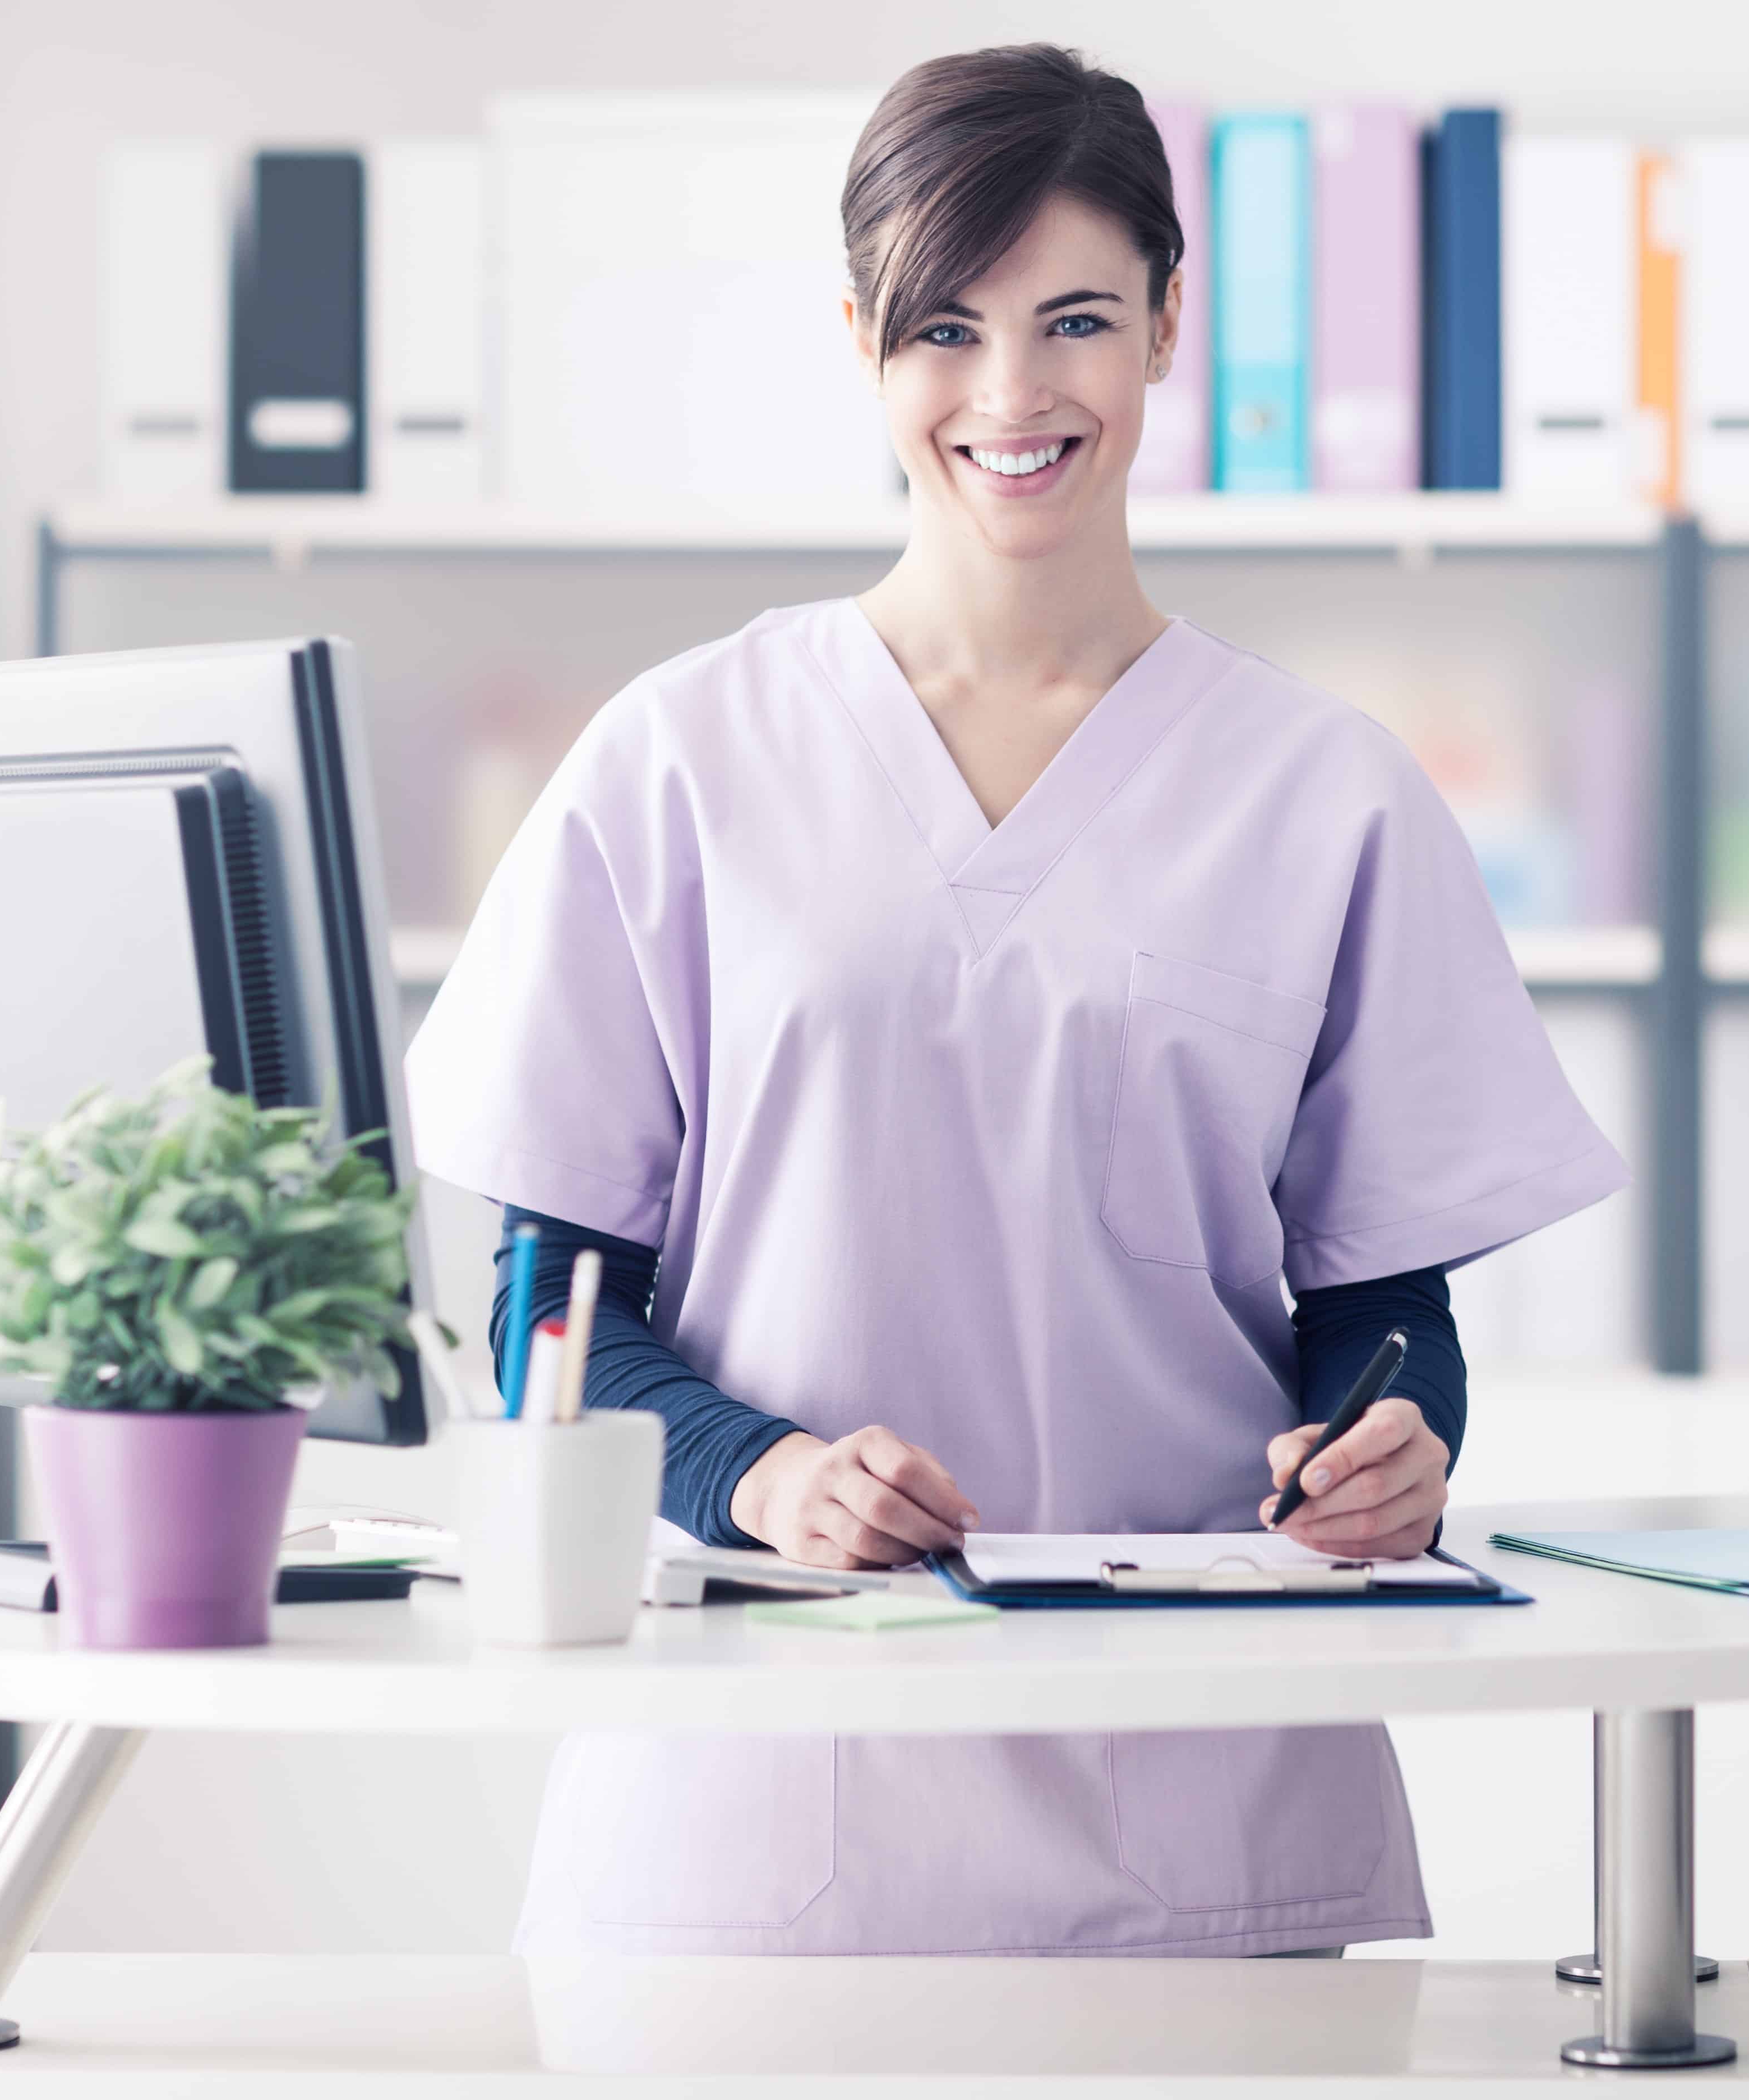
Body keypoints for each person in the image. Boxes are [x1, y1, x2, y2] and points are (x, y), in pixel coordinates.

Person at [405, 43, 1625, 1959]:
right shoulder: (684, 757)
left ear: (1166, 327)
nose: (1009, 395)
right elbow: (548, 1318)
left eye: (1074, 320)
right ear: (864, 345)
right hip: (766, 1806)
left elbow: (1384, 1316)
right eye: (943, 331)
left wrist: (1396, 1447)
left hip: (1207, 1804)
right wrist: (766, 1474)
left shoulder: (1324, 791)